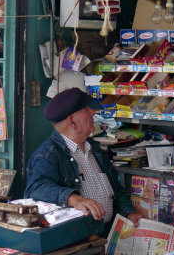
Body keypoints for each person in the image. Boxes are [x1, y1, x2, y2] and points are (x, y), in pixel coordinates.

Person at [24, 88, 143, 231]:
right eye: (86, 109)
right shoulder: (48, 155)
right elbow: (36, 189)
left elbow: (115, 188)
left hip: (104, 234)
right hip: (78, 239)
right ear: (71, 121)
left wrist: (128, 212)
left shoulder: (93, 148)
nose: (93, 112)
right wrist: (73, 199)